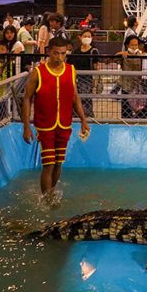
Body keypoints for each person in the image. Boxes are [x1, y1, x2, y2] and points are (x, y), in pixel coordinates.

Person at [22, 36, 90, 203]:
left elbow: (75, 97)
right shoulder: (37, 73)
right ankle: (47, 200)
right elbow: (26, 99)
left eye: (62, 54)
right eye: (56, 53)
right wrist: (26, 126)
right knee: (49, 164)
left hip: (65, 124)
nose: (59, 57)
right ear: (48, 52)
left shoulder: (70, 70)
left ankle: (51, 192)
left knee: (59, 162)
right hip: (45, 126)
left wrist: (83, 119)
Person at [69, 29, 100, 118]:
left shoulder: (94, 51)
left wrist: (96, 80)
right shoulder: (76, 51)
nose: (86, 38)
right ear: (80, 37)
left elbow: (96, 66)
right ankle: (76, 116)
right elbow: (71, 64)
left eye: (89, 36)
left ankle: (88, 117)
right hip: (76, 79)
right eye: (85, 36)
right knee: (75, 98)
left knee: (86, 98)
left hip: (88, 80)